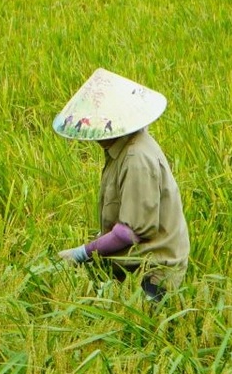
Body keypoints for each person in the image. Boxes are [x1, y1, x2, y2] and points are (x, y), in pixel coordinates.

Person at [54, 68, 190, 301]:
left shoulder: (136, 159)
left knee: (133, 326)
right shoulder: (122, 148)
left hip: (153, 269)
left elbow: (129, 233)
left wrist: (82, 253)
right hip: (131, 260)